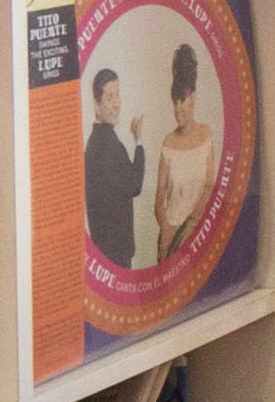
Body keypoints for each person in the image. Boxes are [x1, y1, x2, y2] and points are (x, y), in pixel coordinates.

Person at [152, 39, 220, 249]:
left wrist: (191, 225)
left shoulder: (206, 135)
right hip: (171, 235)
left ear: (194, 98)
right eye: (175, 102)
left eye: (183, 100)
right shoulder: (168, 143)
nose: (178, 108)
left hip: (198, 231)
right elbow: (158, 201)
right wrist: (166, 228)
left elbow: (209, 186)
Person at [82, 63, 145, 274]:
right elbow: (135, 185)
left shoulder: (94, 143)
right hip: (116, 253)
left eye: (117, 95)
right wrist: (139, 141)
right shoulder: (109, 145)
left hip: (103, 250)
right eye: (109, 97)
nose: (116, 103)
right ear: (97, 105)